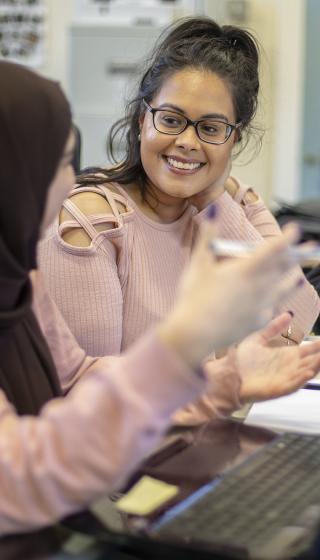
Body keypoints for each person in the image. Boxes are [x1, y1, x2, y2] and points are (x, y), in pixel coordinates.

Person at [1, 60, 320, 534]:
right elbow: (25, 477)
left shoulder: (20, 277)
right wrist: (182, 343)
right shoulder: (88, 220)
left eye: (211, 128)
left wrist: (228, 379)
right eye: (57, 165)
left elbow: (83, 377)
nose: (72, 183)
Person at [39, 17, 319, 377]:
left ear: (235, 138)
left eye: (211, 128)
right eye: (171, 120)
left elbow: (298, 317)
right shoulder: (91, 224)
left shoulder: (238, 203)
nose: (187, 142)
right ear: (143, 121)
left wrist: (215, 202)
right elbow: (87, 388)